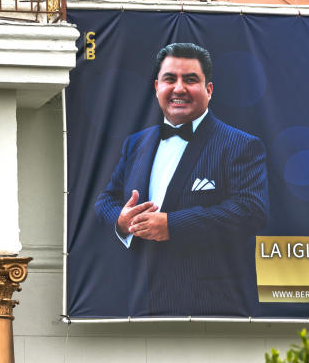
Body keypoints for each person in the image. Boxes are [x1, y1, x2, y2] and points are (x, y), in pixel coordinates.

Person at [95, 43, 269, 316]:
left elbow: (250, 211)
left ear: (208, 90)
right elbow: (106, 200)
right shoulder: (135, 143)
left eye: (190, 80)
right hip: (135, 300)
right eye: (170, 79)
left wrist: (171, 225)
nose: (178, 88)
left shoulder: (240, 144)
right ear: (156, 87)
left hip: (209, 306)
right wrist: (121, 220)